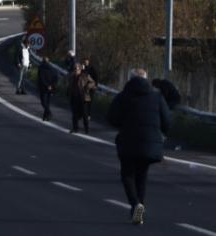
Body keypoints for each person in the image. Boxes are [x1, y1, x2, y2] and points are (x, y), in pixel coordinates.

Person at [107, 68, 171, 225]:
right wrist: (159, 132)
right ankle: (139, 208)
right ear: (146, 79)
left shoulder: (123, 96)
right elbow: (167, 121)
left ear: (130, 79)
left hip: (128, 141)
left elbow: (112, 117)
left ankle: (135, 204)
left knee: (127, 175)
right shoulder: (156, 96)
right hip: (149, 142)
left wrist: (123, 125)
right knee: (142, 175)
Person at [67, 63, 96, 134]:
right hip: (74, 97)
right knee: (74, 114)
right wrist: (68, 92)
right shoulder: (71, 76)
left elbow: (93, 82)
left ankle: (86, 128)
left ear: (80, 70)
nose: (76, 70)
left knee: (84, 115)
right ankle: (75, 128)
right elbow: (69, 85)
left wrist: (87, 87)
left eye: (77, 69)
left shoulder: (85, 76)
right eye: (75, 69)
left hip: (83, 98)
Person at [37, 56, 59, 122]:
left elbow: (41, 79)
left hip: (44, 88)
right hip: (50, 88)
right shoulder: (53, 68)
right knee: (47, 102)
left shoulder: (41, 68)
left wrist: (47, 85)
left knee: (43, 102)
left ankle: (49, 113)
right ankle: (45, 116)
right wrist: (52, 86)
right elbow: (56, 78)